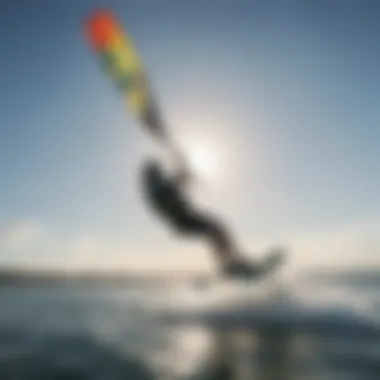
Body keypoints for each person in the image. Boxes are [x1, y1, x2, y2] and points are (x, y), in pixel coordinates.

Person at [139, 151, 262, 278]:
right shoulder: (157, 189)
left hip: (184, 219)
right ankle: (231, 266)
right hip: (183, 220)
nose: (161, 172)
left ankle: (231, 265)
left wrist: (182, 170)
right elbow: (176, 183)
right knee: (216, 231)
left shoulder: (156, 188)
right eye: (158, 171)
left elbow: (181, 182)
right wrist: (182, 171)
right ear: (153, 173)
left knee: (217, 232)